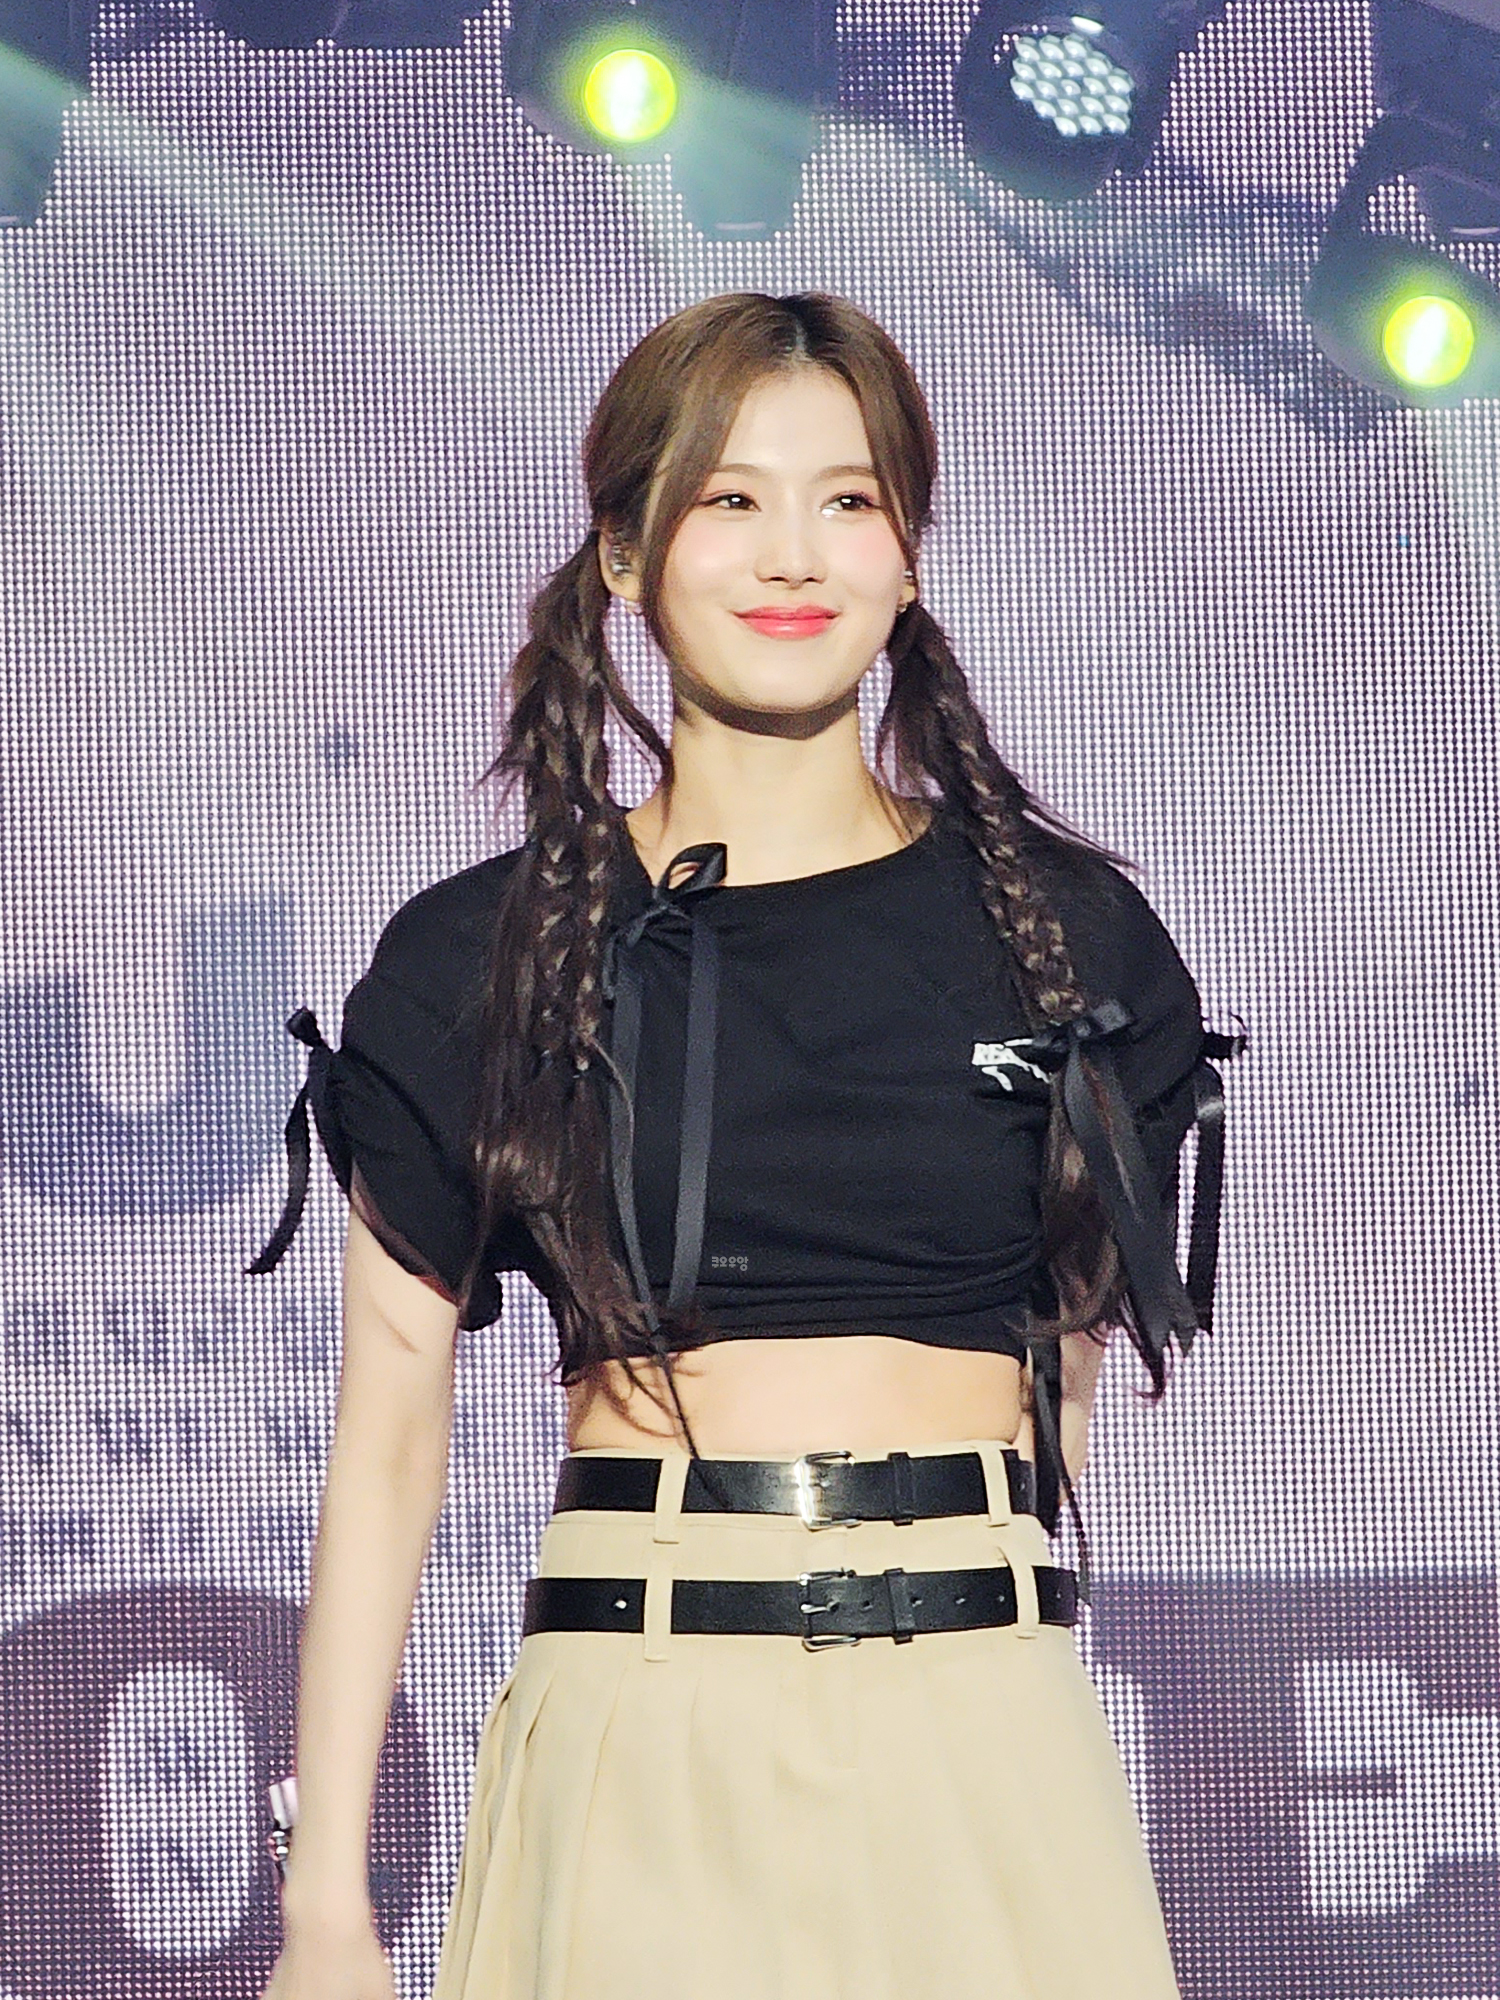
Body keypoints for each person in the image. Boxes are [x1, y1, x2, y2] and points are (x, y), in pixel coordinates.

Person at [250, 289, 1236, 2000]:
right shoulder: (486, 953)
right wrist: (325, 1904)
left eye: (849, 500)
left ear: (909, 558)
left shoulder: (1072, 943)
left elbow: (1066, 1382)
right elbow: (389, 1432)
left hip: (981, 1734)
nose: (796, 555)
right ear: (627, 552)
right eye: (732, 498)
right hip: (640, 1725)